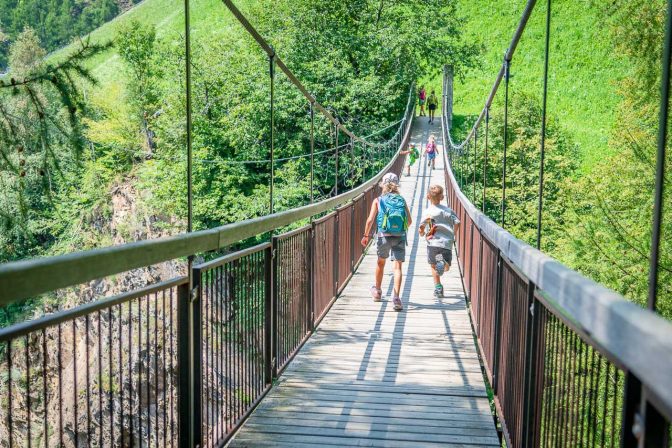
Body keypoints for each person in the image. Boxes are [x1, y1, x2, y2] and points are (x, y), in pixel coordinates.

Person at [361, 173, 412, 311]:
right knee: (397, 268)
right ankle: (396, 298)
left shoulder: (378, 200)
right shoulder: (401, 199)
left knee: (381, 262)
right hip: (400, 236)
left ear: (383, 185)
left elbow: (370, 220)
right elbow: (410, 221)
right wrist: (400, 229)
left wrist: (366, 235)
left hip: (383, 236)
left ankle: (377, 291)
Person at [418, 185, 460, 298]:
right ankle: (445, 264)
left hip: (433, 242)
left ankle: (438, 288)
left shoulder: (428, 212)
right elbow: (457, 222)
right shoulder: (448, 211)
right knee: (446, 267)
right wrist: (453, 233)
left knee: (433, 265)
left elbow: (422, 227)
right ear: (442, 197)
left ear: (428, 197)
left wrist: (421, 232)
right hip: (447, 243)